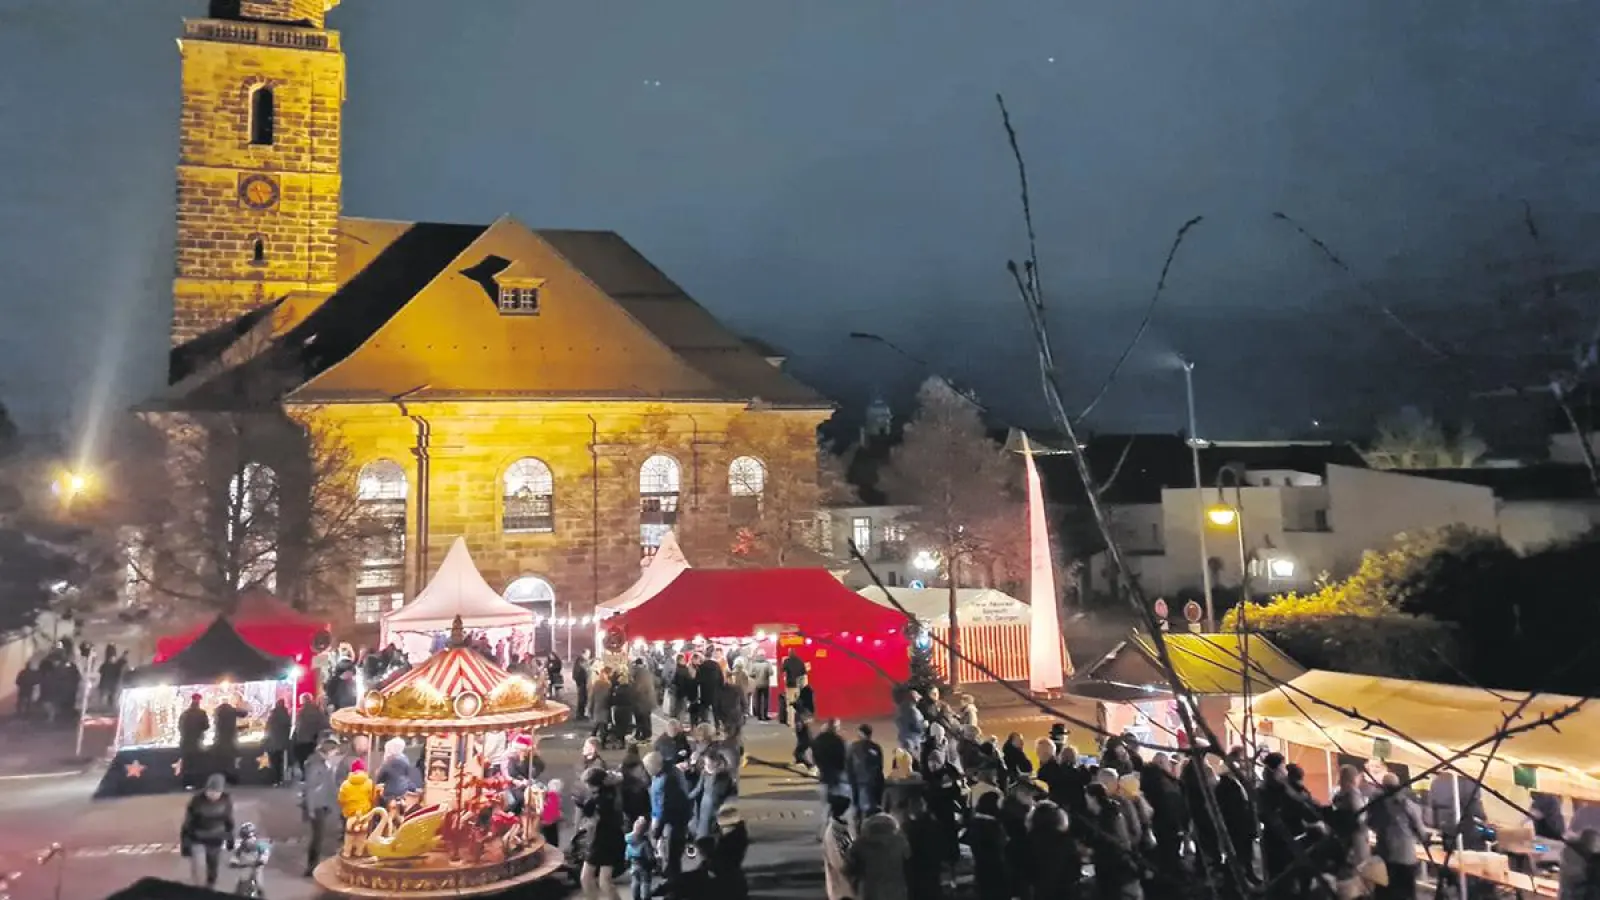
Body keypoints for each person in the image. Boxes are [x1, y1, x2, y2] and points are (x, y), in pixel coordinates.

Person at [1369, 773, 1425, 900]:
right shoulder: (1407, 804)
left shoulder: (1376, 805)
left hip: (1385, 856)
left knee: (1386, 893)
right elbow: (1420, 830)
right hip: (1405, 857)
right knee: (1406, 894)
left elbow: (1370, 823)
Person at [180, 773, 235, 890]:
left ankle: (210, 886)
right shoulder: (196, 800)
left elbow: (228, 819)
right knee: (198, 866)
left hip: (216, 837)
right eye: (211, 791)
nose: (214, 794)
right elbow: (188, 823)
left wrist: (230, 837)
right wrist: (185, 843)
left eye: (217, 792)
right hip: (197, 837)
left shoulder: (226, 800)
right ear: (206, 789)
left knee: (213, 866)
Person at [301, 736, 341, 876]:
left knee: (319, 836)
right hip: (317, 805)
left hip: (322, 804)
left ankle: (312, 866)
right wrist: (310, 809)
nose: (336, 754)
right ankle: (311, 867)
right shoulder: (316, 764)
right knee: (317, 837)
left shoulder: (322, 762)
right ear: (329, 751)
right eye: (335, 751)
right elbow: (311, 788)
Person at [850, 812, 911, 900]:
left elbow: (851, 865)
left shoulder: (861, 843)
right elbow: (908, 860)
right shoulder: (900, 841)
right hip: (895, 889)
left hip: (870, 889)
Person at [688, 751, 736, 840]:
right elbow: (698, 789)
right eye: (705, 764)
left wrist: (715, 774)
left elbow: (721, 791)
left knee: (715, 828)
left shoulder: (724, 775)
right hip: (705, 805)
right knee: (704, 829)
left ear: (715, 763)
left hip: (718, 805)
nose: (706, 766)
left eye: (708, 763)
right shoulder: (704, 773)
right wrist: (686, 798)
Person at [337, 758, 377, 858]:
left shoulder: (345, 784)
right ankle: (359, 851)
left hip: (351, 814)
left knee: (349, 835)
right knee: (362, 835)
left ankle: (347, 852)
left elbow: (341, 799)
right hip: (364, 814)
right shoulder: (369, 783)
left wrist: (345, 808)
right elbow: (372, 797)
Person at [847, 723, 886, 823]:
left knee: (860, 811)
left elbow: (849, 767)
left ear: (860, 733)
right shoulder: (876, 747)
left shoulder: (854, 748)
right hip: (875, 783)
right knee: (873, 811)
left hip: (860, 783)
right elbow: (880, 766)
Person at [821, 793, 856, 900]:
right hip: (842, 889)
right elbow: (839, 862)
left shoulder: (841, 829)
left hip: (845, 887)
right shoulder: (834, 832)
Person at [811, 718, 849, 808]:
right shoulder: (838, 740)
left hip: (823, 770)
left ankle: (826, 814)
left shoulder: (819, 739)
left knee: (824, 794)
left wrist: (817, 764)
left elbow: (812, 752)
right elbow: (843, 755)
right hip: (836, 771)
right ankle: (833, 814)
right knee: (836, 794)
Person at [228, 821, 271, 898]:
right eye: (246, 837)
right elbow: (236, 856)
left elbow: (265, 852)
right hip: (245, 867)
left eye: (251, 837)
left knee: (259, 884)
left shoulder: (260, 845)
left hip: (256, 867)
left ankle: (261, 895)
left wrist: (262, 859)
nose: (249, 840)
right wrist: (233, 862)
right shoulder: (241, 847)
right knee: (240, 885)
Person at [290, 695, 327, 781]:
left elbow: (298, 726)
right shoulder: (317, 711)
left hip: (301, 739)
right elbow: (323, 724)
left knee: (301, 758)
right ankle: (311, 775)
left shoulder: (301, 712)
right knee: (311, 758)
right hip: (312, 739)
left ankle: (304, 775)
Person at [375, 737, 421, 806]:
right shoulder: (406, 760)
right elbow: (407, 777)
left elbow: (380, 778)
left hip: (390, 793)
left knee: (381, 803)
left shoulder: (388, 761)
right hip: (403, 792)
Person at [178, 693, 210, 788]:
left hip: (185, 743)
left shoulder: (184, 713)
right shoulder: (202, 713)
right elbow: (206, 726)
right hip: (197, 743)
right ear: (199, 701)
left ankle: (186, 784)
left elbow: (179, 727)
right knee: (198, 764)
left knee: (187, 764)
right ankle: (198, 784)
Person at [625, 816, 657, 900]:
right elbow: (650, 856)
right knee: (645, 883)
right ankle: (646, 897)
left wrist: (627, 861)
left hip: (633, 864)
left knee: (635, 882)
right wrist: (654, 863)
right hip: (644, 866)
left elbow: (627, 853)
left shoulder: (629, 840)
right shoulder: (645, 842)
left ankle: (636, 896)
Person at [262, 698, 292, 786]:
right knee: (279, 761)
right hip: (282, 743)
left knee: (273, 762)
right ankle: (280, 779)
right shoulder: (286, 715)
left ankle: (275, 780)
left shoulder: (273, 715)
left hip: (272, 742)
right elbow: (288, 728)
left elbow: (267, 728)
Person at [780, 649, 807, 726]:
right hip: (798, 686)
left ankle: (791, 723)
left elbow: (782, 670)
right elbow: (804, 673)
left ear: (789, 654)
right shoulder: (800, 661)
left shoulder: (787, 661)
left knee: (790, 704)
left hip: (790, 686)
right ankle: (799, 721)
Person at [748, 650, 772, 721]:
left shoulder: (754, 664)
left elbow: (750, 674)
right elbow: (771, 672)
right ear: (764, 655)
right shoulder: (767, 663)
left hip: (757, 684)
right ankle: (765, 715)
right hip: (765, 684)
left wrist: (755, 676)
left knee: (757, 700)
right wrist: (766, 674)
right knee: (765, 700)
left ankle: (759, 716)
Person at [573, 651, 592, 720]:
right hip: (582, 683)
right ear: (584, 654)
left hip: (582, 682)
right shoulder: (581, 661)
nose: (588, 656)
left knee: (583, 698)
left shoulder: (581, 661)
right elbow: (582, 671)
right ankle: (580, 715)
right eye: (588, 654)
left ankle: (581, 714)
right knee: (582, 698)